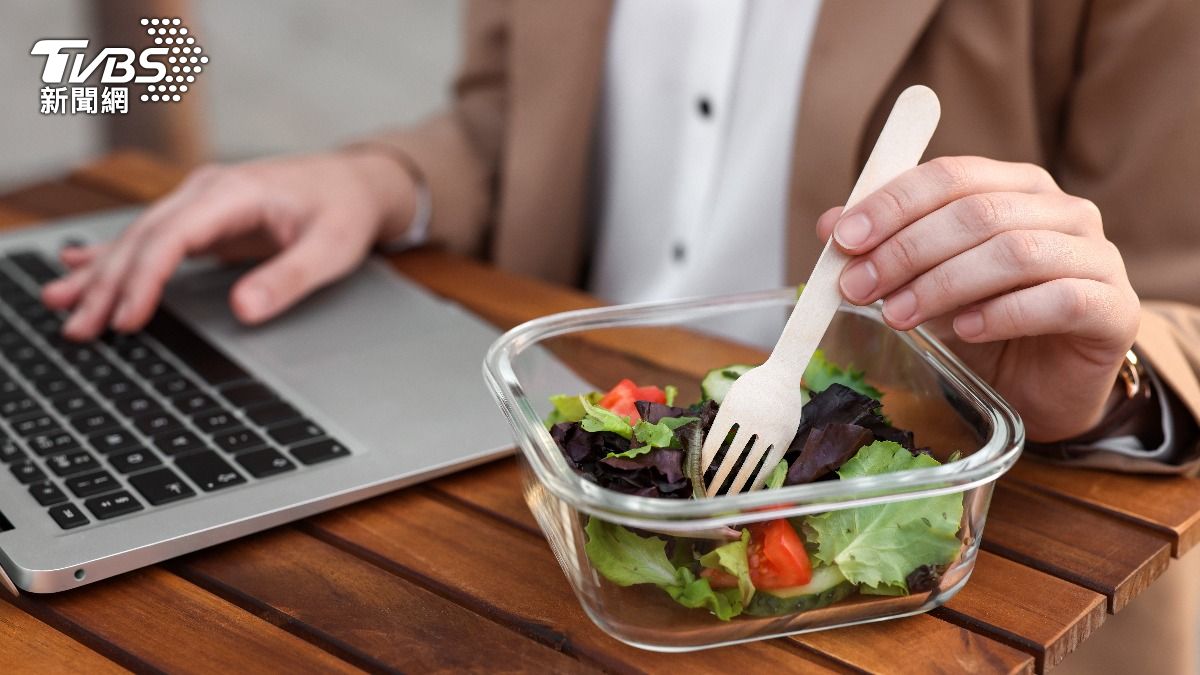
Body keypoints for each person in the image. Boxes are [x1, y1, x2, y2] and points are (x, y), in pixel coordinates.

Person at [38, 2, 1200, 670]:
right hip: (550, 500)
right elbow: (516, 114)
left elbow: (1175, 295)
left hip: (943, 601)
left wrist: (1103, 378)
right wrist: (383, 177)